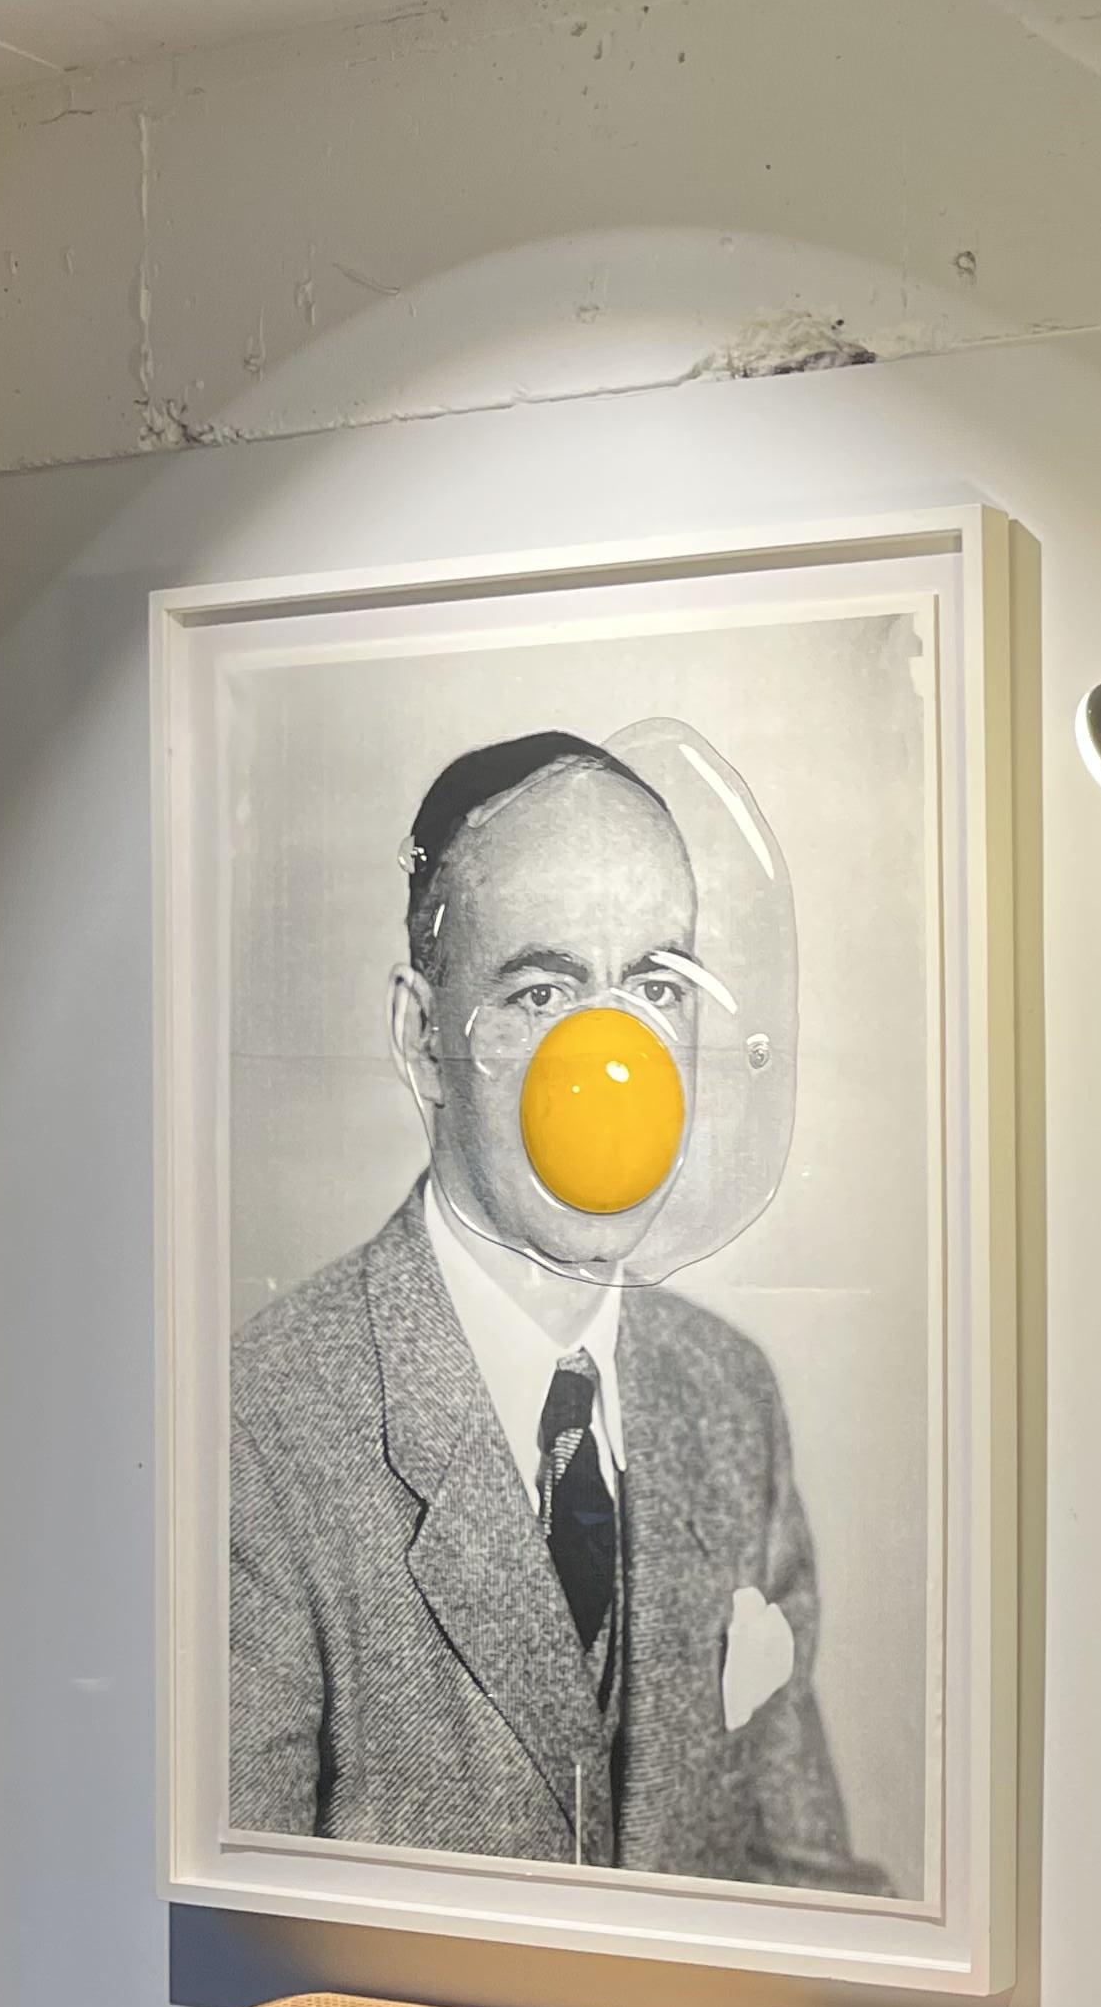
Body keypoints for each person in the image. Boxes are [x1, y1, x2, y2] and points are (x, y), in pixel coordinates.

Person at [229, 732, 881, 1889]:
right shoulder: (262, 1428)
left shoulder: (729, 1398)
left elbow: (804, 1878)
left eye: (657, 987)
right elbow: (240, 1940)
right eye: (542, 992)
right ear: (421, 1039)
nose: (614, 1062)